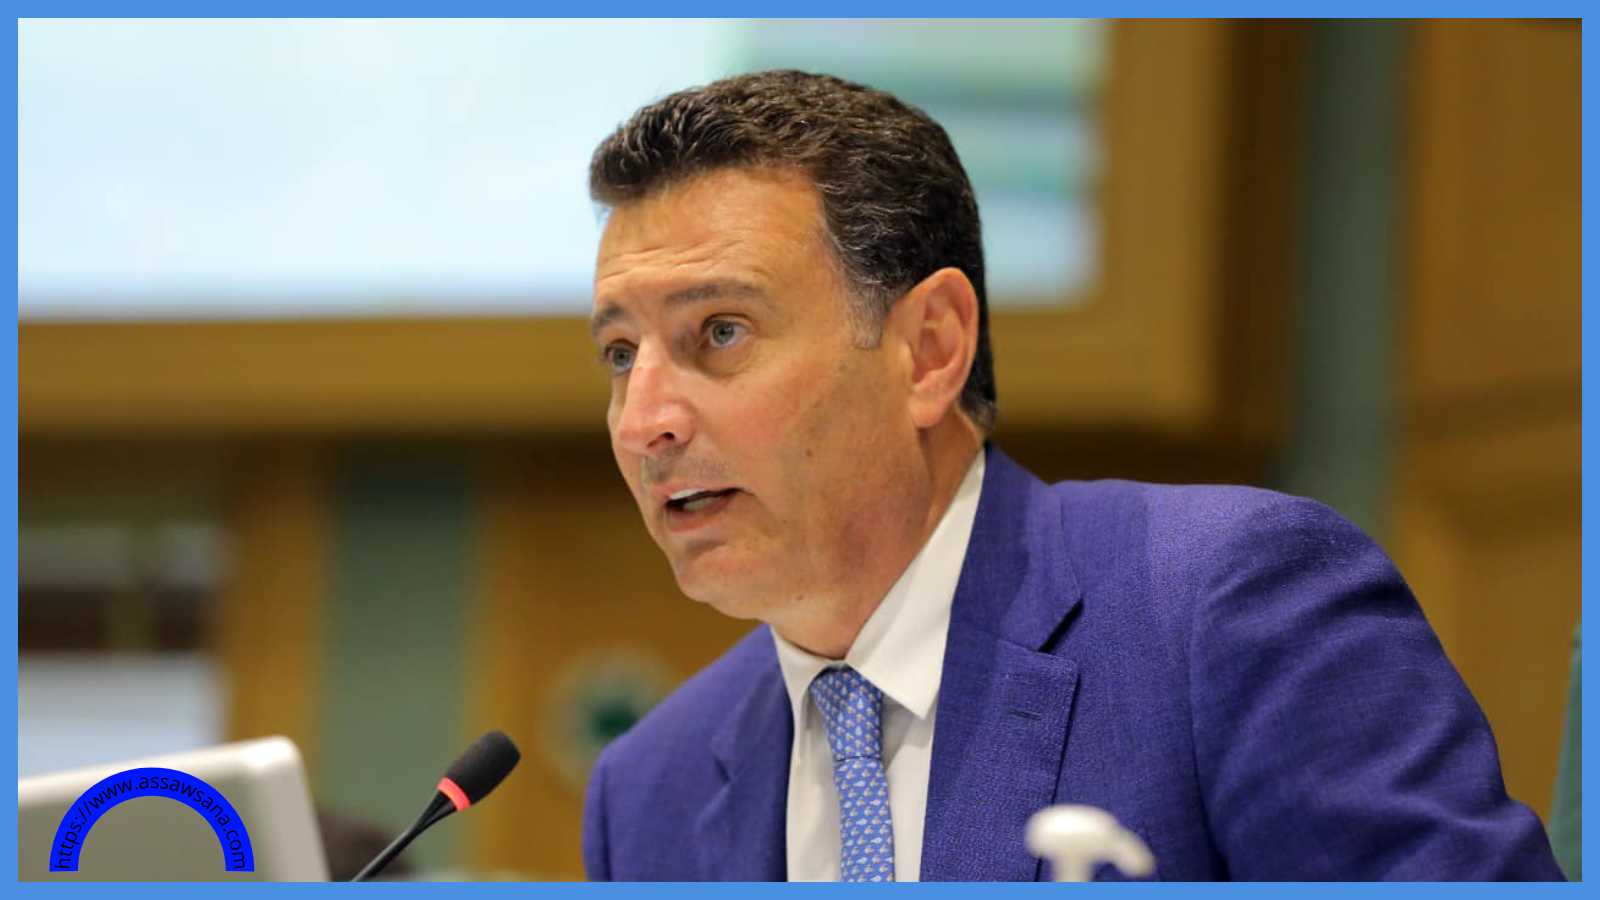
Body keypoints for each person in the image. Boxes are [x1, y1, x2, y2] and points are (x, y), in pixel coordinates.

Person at [578, 70, 1562, 881]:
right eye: (622, 354)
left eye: (720, 332)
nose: (645, 420)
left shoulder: (1226, 608)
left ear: (930, 350)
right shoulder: (649, 789)